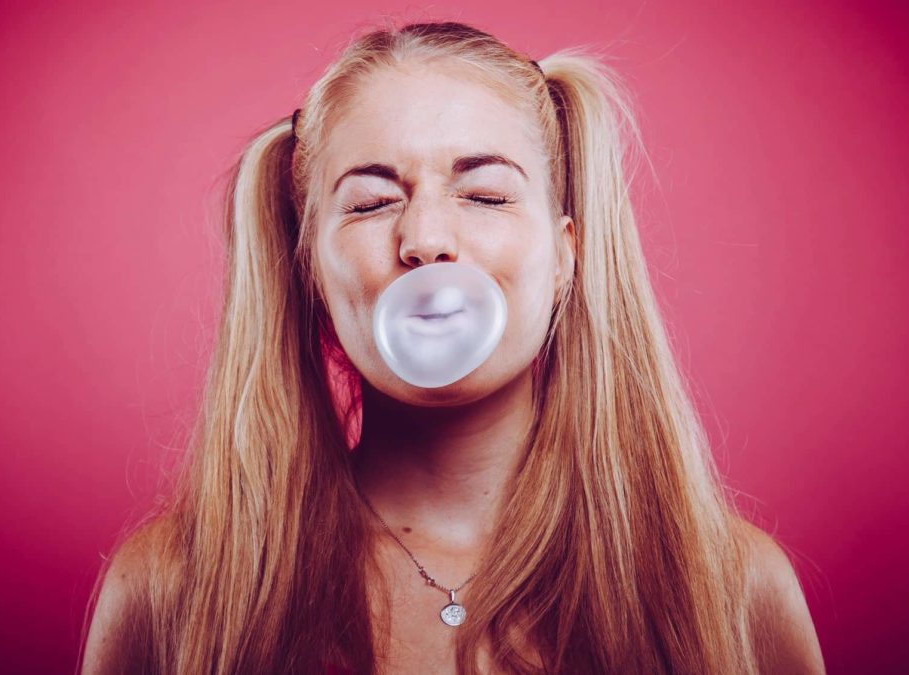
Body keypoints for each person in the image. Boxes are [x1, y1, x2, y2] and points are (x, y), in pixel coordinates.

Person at [79, 20, 824, 675]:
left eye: (487, 194)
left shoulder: (732, 591)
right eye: (372, 202)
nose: (427, 239)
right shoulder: (171, 592)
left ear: (567, 257)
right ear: (310, 273)